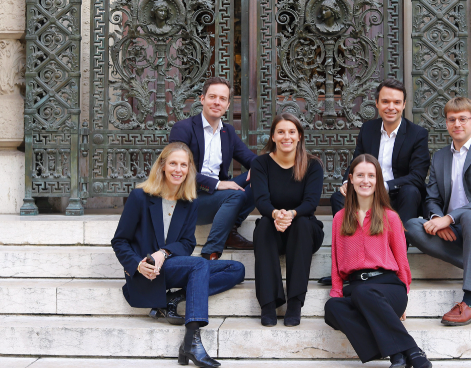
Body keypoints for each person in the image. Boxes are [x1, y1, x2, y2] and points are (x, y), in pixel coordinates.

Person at [111, 142, 245, 368]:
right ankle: (192, 340)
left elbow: (187, 243)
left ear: (189, 169)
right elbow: (120, 241)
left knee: (236, 269)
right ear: (162, 166)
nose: (178, 169)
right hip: (148, 271)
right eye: (173, 163)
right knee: (199, 266)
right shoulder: (140, 197)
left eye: (184, 165)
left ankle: (174, 299)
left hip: (172, 266)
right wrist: (137, 265)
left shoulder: (188, 202)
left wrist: (164, 252)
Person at [405, 97, 471, 326]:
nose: (457, 124)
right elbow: (432, 198)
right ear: (446, 124)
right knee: (412, 225)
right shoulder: (440, 156)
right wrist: (437, 219)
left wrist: (450, 217)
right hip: (452, 228)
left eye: (463, 119)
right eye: (452, 119)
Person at [324, 154, 432, 368]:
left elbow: (401, 260)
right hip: (357, 288)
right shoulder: (340, 218)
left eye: (371, 176)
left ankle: (410, 350)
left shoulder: (390, 217)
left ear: (378, 180)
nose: (366, 181)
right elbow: (336, 261)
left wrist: (404, 294)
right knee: (333, 309)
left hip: (388, 287)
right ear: (351, 179)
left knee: (363, 293)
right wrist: (336, 292)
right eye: (360, 175)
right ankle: (399, 352)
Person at [321, 77, 430, 286]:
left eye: (396, 102)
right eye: (385, 101)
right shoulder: (368, 129)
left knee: (411, 191)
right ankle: (347, 266)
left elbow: (417, 176)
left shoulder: (417, 134)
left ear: (404, 105)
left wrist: (384, 186)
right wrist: (347, 182)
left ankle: (396, 264)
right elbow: (357, 162)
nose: (391, 107)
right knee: (338, 198)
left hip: (398, 196)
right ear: (377, 104)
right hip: (366, 195)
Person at [170, 77, 257, 261]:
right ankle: (210, 251)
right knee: (235, 195)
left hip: (217, 196)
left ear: (227, 105)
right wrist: (217, 184)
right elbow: (178, 172)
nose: (217, 102)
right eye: (212, 97)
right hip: (188, 199)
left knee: (261, 176)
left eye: (222, 99)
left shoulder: (228, 132)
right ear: (202, 99)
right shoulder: (183, 128)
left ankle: (230, 229)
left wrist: (260, 168)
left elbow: (250, 158)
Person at [250, 113, 325, 327]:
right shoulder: (260, 163)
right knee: (263, 225)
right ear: (273, 136)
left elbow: (310, 203)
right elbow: (261, 201)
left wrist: (290, 214)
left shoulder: (313, 165)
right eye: (281, 132)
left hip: (304, 231)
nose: (286, 137)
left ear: (299, 136)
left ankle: (295, 303)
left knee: (302, 223)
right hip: (273, 227)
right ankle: (268, 304)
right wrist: (276, 215)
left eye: (292, 132)